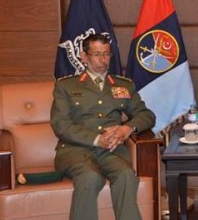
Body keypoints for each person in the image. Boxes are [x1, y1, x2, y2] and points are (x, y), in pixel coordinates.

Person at [51, 33, 156, 220]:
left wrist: (126, 129)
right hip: (75, 151)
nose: (103, 60)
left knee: (125, 174)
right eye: (97, 54)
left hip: (111, 151)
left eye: (107, 54)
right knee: (90, 177)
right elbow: (61, 124)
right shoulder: (66, 86)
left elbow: (146, 115)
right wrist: (97, 139)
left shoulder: (123, 86)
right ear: (84, 57)